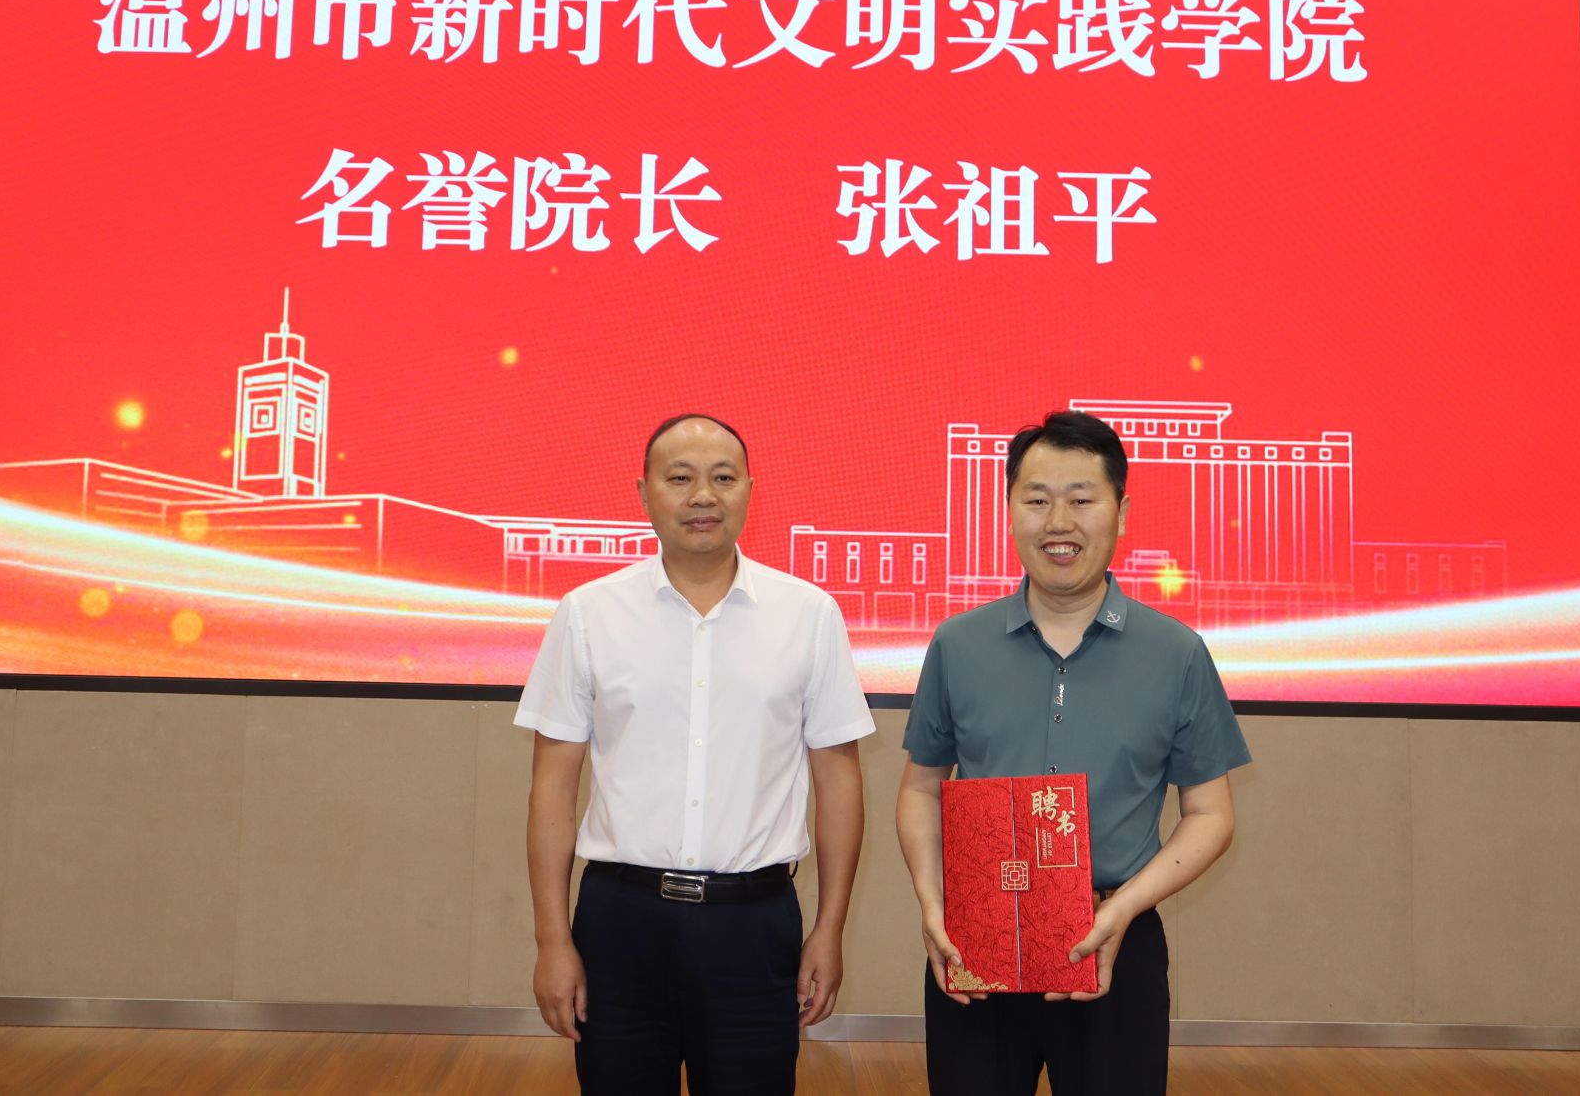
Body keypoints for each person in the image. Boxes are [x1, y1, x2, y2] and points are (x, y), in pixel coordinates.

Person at [895, 410, 1251, 1096]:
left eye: (1082, 499)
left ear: (1121, 512)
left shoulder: (1176, 652)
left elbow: (1211, 814)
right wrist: (933, 903)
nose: (1058, 521)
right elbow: (919, 789)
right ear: (1009, 510)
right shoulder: (957, 644)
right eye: (1037, 500)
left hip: (1117, 937)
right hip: (980, 941)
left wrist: (1124, 908)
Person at [518, 413, 875, 1096]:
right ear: (644, 492)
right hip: (620, 922)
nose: (702, 496)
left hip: (753, 925)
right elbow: (552, 787)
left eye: (723, 478)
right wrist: (552, 940)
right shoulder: (588, 613)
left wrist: (829, 928)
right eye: (679, 478)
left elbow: (839, 782)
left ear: (749, 491)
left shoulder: (808, 614)